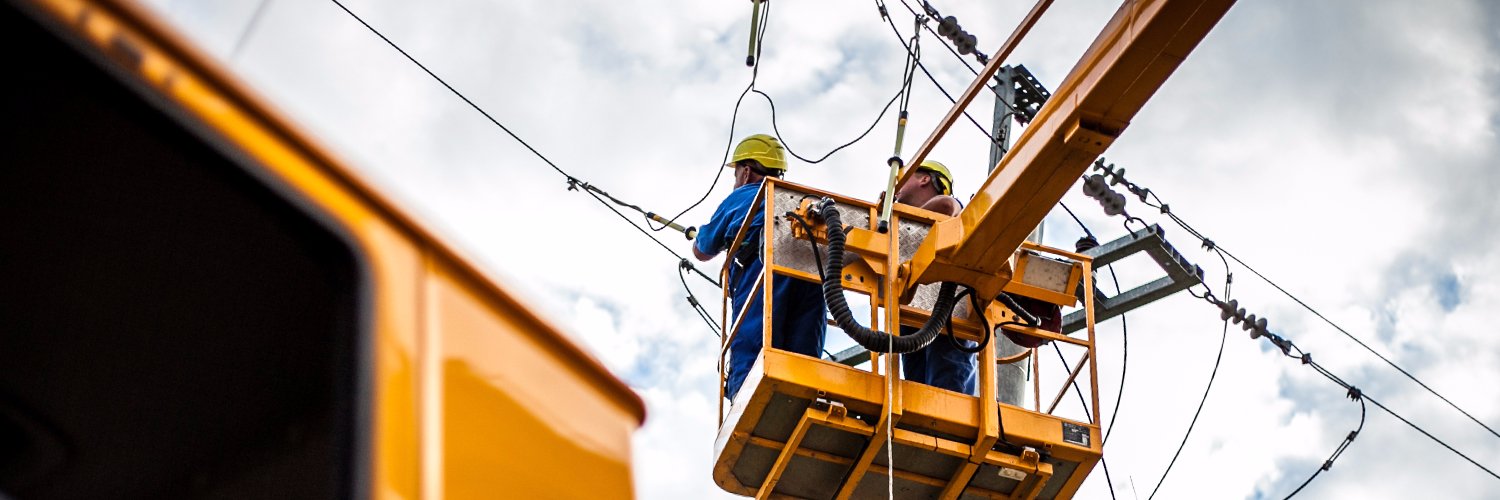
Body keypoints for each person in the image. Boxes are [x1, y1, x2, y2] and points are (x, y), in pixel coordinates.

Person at [694, 134, 827, 401]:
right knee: (802, 359)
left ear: (745, 172)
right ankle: (805, 397)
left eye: (735, 176)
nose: (735, 182)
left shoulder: (744, 196)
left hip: (762, 273)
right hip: (811, 275)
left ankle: (743, 397)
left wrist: (703, 237)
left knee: (754, 351)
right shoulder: (801, 202)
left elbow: (703, 249)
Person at [889, 160, 973, 394]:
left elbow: (947, 205)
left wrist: (892, 212)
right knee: (917, 387)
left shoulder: (950, 213)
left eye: (904, 179)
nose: (897, 187)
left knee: (945, 382)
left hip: (947, 312)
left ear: (925, 179)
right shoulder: (902, 226)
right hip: (913, 314)